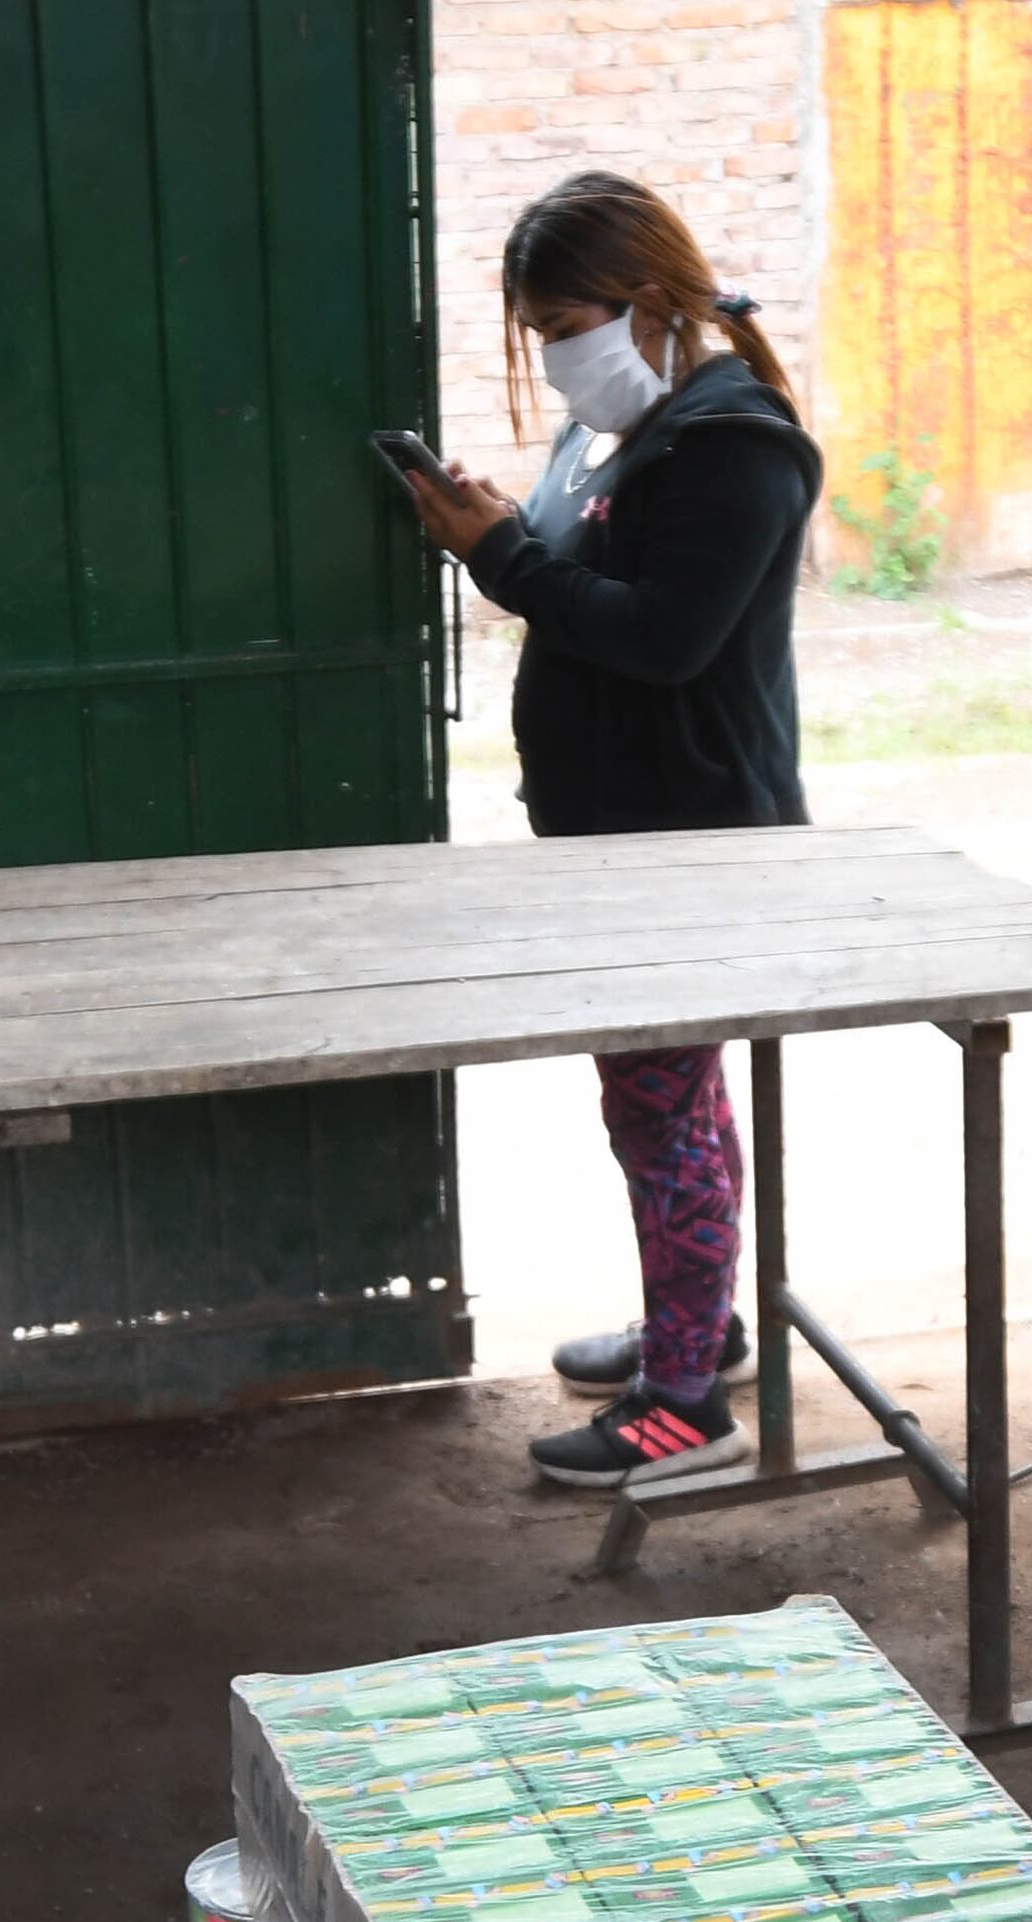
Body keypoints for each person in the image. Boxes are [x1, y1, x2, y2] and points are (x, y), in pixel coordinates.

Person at [393, 170, 822, 1490]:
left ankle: (684, 1405)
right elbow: (589, 573)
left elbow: (661, 636)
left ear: (647, 302)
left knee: (660, 1106)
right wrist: (509, 528)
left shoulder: (733, 444)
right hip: (614, 836)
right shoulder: (616, 430)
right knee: (664, 1099)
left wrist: (498, 554)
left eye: (565, 320)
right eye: (536, 329)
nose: (551, 352)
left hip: (692, 840)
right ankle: (703, 1323)